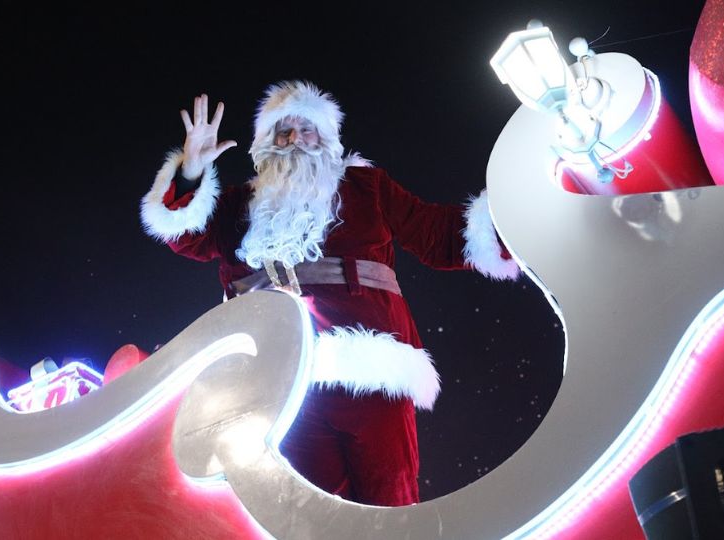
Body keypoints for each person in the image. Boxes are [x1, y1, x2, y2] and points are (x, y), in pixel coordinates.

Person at [140, 80, 518, 506]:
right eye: (282, 132)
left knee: (388, 506)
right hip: (277, 380)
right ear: (265, 145)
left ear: (327, 140)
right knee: (299, 513)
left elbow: (441, 235)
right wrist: (191, 171)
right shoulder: (238, 206)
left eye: (307, 129)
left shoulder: (365, 188)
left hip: (372, 372)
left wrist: (522, 215)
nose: (295, 140)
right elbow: (186, 236)